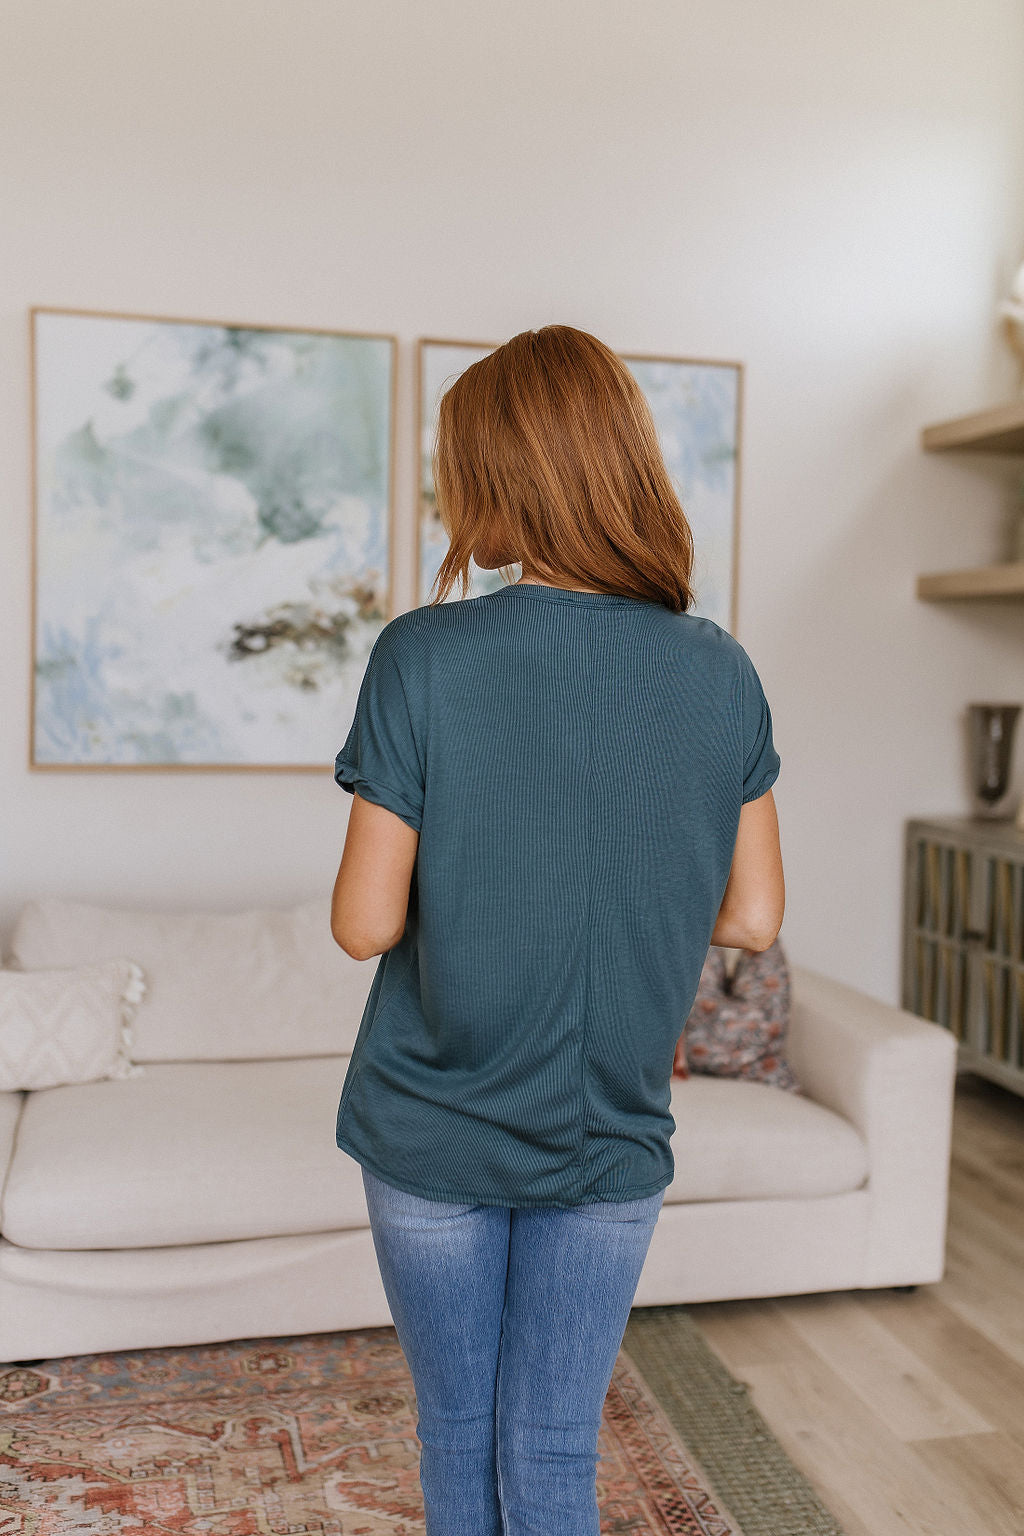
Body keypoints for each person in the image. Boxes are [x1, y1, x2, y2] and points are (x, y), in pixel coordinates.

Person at [329, 324, 785, 1535]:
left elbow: (364, 924)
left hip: (431, 1126)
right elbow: (753, 915)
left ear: (502, 474)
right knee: (550, 1452)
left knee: (455, 1438)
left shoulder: (422, 655)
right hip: (609, 1133)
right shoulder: (720, 670)